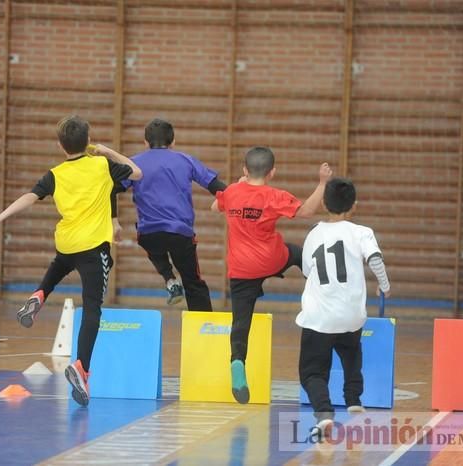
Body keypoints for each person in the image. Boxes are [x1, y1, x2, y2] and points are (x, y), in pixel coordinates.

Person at [0, 115, 142, 406]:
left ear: (59, 145)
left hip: (67, 242)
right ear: (88, 141)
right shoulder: (102, 165)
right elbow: (137, 173)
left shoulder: (55, 174)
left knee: (61, 264)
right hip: (93, 247)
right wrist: (106, 151)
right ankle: (82, 368)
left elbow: (29, 197)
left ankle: (40, 294)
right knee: (92, 309)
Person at [211, 146, 332, 403]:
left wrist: (237, 184)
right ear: (272, 173)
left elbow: (214, 207)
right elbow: (308, 211)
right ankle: (326, 291)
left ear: (245, 170)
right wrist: (322, 183)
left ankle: (237, 363)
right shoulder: (273, 196)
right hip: (271, 259)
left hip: (241, 269)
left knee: (241, 323)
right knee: (300, 254)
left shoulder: (232, 192)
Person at [297, 177, 391, 439]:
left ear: (324, 203)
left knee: (312, 371)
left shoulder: (314, 233)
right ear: (354, 206)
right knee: (351, 352)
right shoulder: (362, 232)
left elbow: (307, 271)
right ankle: (353, 398)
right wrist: (384, 285)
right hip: (351, 315)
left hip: (319, 316)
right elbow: (375, 259)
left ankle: (324, 413)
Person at [117, 118, 226, 310]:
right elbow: (215, 187)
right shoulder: (185, 160)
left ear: (145, 142)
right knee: (193, 282)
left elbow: (112, 189)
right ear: (172, 142)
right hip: (180, 234)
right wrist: (238, 197)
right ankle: (203, 331)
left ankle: (169, 280)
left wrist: (112, 220)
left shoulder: (133, 164)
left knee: (151, 242)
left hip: (149, 234)